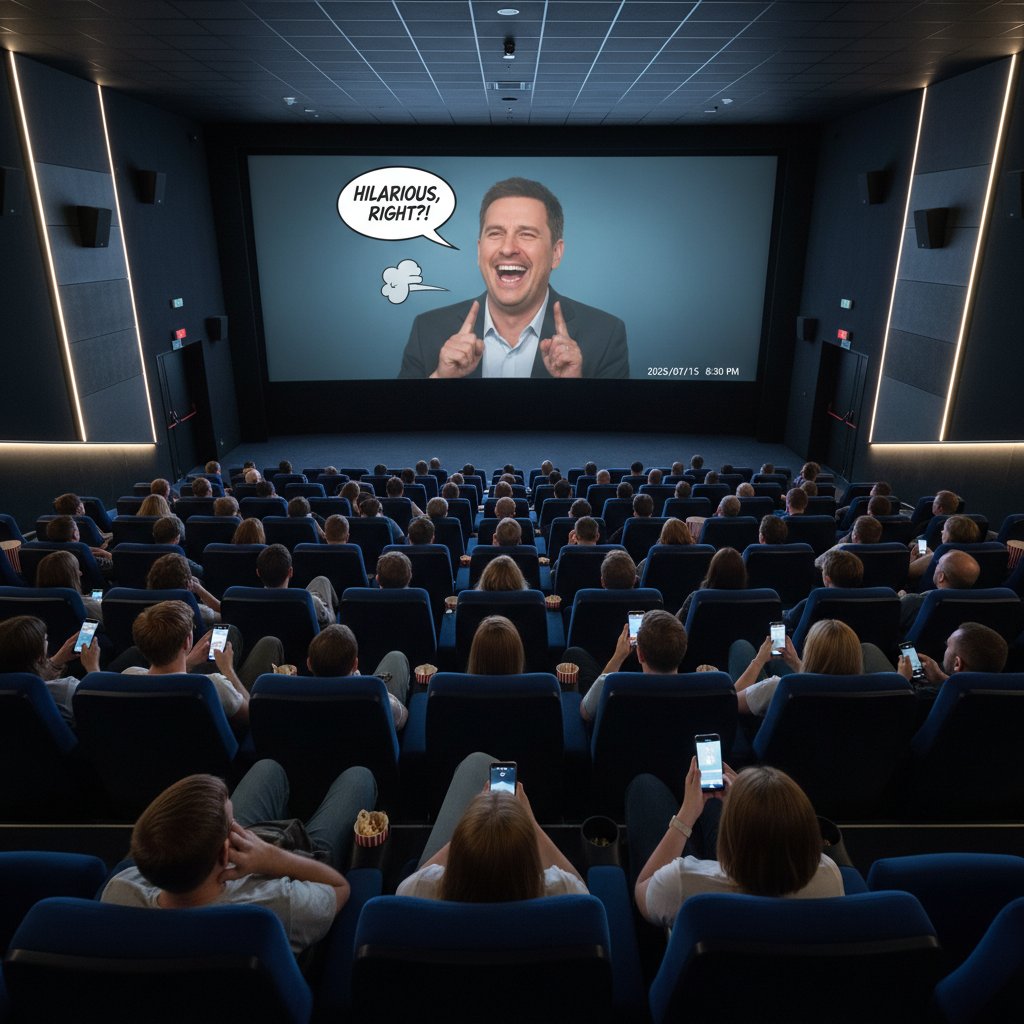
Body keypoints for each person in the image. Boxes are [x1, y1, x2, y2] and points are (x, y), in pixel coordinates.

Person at [101, 761, 377, 955]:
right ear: (224, 851)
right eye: (233, 825)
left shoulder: (119, 892)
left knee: (267, 768)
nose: (239, 828)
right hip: (297, 862)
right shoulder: (276, 907)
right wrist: (273, 858)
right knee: (358, 777)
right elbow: (340, 887)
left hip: (212, 858)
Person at [398, 177, 629, 379]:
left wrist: (575, 386)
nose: (507, 248)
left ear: (555, 254)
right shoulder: (426, 330)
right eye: (496, 233)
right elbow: (399, 425)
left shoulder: (605, 335)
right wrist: (440, 378)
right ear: (479, 252)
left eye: (526, 234)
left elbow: (614, 427)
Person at [628, 761, 843, 927]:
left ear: (730, 842)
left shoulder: (683, 884)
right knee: (712, 808)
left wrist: (686, 815)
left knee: (644, 785)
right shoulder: (828, 875)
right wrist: (745, 800)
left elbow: (643, 888)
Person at [396, 753, 587, 899]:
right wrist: (531, 823)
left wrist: (471, 824)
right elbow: (582, 890)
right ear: (531, 858)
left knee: (474, 762)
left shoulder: (421, 890)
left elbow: (410, 883)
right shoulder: (560, 891)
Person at [119, 599, 271, 731]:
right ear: (187, 641)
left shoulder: (128, 675)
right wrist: (228, 670)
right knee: (270, 644)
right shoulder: (213, 685)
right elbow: (253, 717)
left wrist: (188, 662)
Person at [729, 618, 871, 717]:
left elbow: (728, 702)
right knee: (779, 662)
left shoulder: (778, 688)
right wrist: (796, 663)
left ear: (810, 654)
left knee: (741, 647)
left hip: (768, 742)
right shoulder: (868, 694)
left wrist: (759, 661)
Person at [578, 609, 689, 720]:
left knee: (575, 653)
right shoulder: (700, 687)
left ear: (640, 655)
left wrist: (618, 657)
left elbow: (586, 713)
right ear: (683, 650)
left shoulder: (613, 684)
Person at [306, 623, 410, 731]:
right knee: (396, 657)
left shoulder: (295, 694)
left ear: (309, 663)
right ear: (355, 664)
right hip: (371, 743)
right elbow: (402, 717)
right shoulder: (375, 695)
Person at [0, 614, 99, 724]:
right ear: (39, 656)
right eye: (45, 639)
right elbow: (103, 708)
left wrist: (56, 661)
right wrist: (93, 669)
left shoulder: (12, 690)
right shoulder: (66, 689)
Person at [257, 544, 337, 628]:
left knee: (321, 580)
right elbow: (329, 626)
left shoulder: (251, 600)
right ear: (290, 572)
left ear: (258, 573)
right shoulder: (309, 602)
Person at [898, 549, 981, 632]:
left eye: (938, 563)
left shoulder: (913, 602)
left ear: (941, 577)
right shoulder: (978, 607)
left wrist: (899, 600)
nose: (935, 566)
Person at [145, 552, 221, 628]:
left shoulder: (144, 610)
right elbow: (225, 614)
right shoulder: (196, 611)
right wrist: (200, 589)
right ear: (188, 584)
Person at [677, 546, 747, 624]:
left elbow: (679, 625)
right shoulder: (750, 600)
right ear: (742, 574)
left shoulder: (696, 598)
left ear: (712, 572)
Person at [35, 549, 103, 621]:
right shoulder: (85, 605)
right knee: (98, 591)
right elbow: (89, 631)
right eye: (77, 569)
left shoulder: (32, 602)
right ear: (69, 578)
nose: (80, 573)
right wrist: (93, 602)